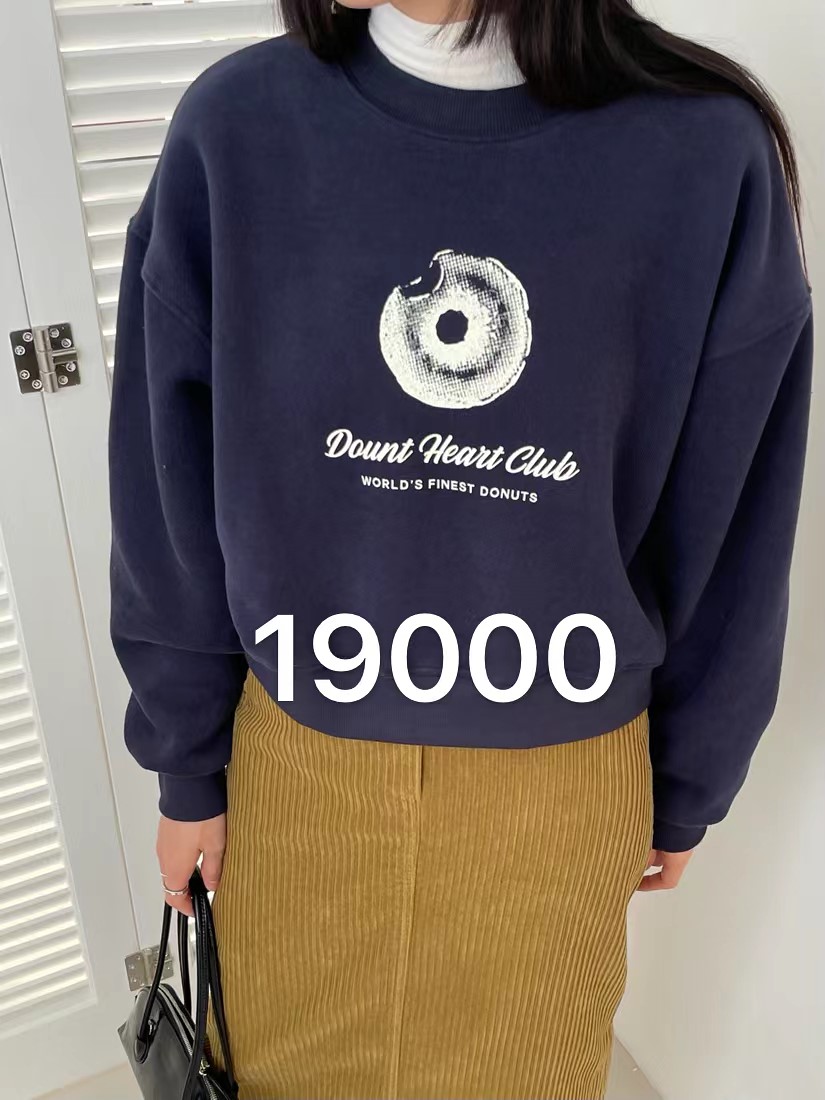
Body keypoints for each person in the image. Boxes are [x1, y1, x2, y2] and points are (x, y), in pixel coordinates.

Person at [107, 0, 814, 1097]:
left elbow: (732, 519)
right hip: (298, 773)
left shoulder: (705, 152)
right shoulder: (239, 130)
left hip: (560, 789)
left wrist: (688, 779)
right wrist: (185, 765)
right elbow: (168, 490)